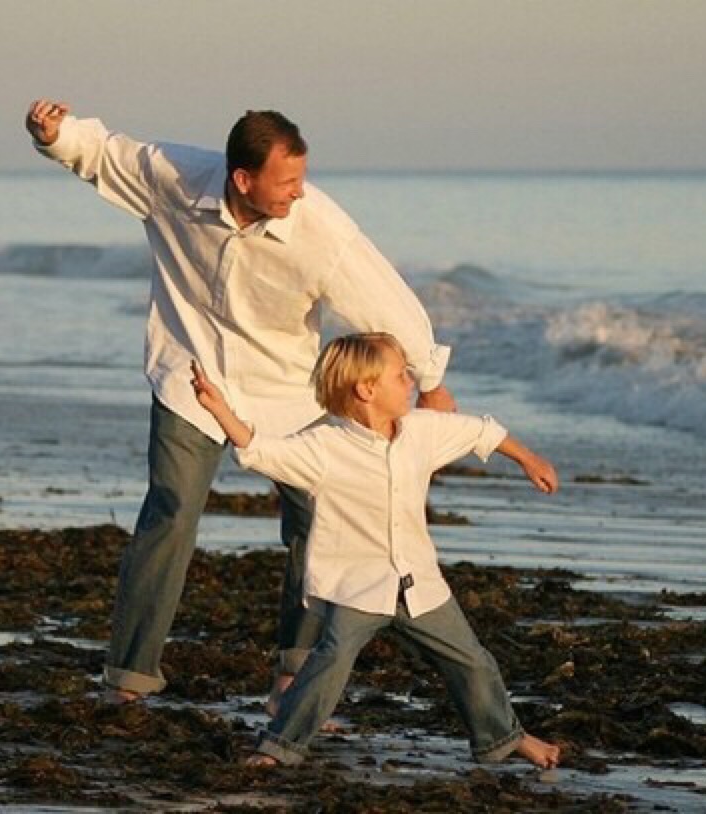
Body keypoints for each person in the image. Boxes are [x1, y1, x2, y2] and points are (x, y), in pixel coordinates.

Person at [24, 100, 457, 705]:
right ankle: (128, 678)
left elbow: (384, 298)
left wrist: (430, 378)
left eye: (302, 179)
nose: (298, 195)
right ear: (241, 179)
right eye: (286, 183)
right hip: (190, 379)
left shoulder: (320, 229)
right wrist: (56, 135)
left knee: (318, 524)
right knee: (170, 514)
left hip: (287, 393)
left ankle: (292, 680)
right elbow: (104, 154)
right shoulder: (175, 178)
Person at [190, 333, 561, 769]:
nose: (410, 383)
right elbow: (261, 452)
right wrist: (220, 411)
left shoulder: (421, 431)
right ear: (367, 389)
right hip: (359, 586)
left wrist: (529, 460)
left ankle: (507, 737)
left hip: (419, 583)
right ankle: (278, 747)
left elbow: (482, 431)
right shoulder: (324, 446)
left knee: (473, 661)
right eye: (401, 376)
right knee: (328, 662)